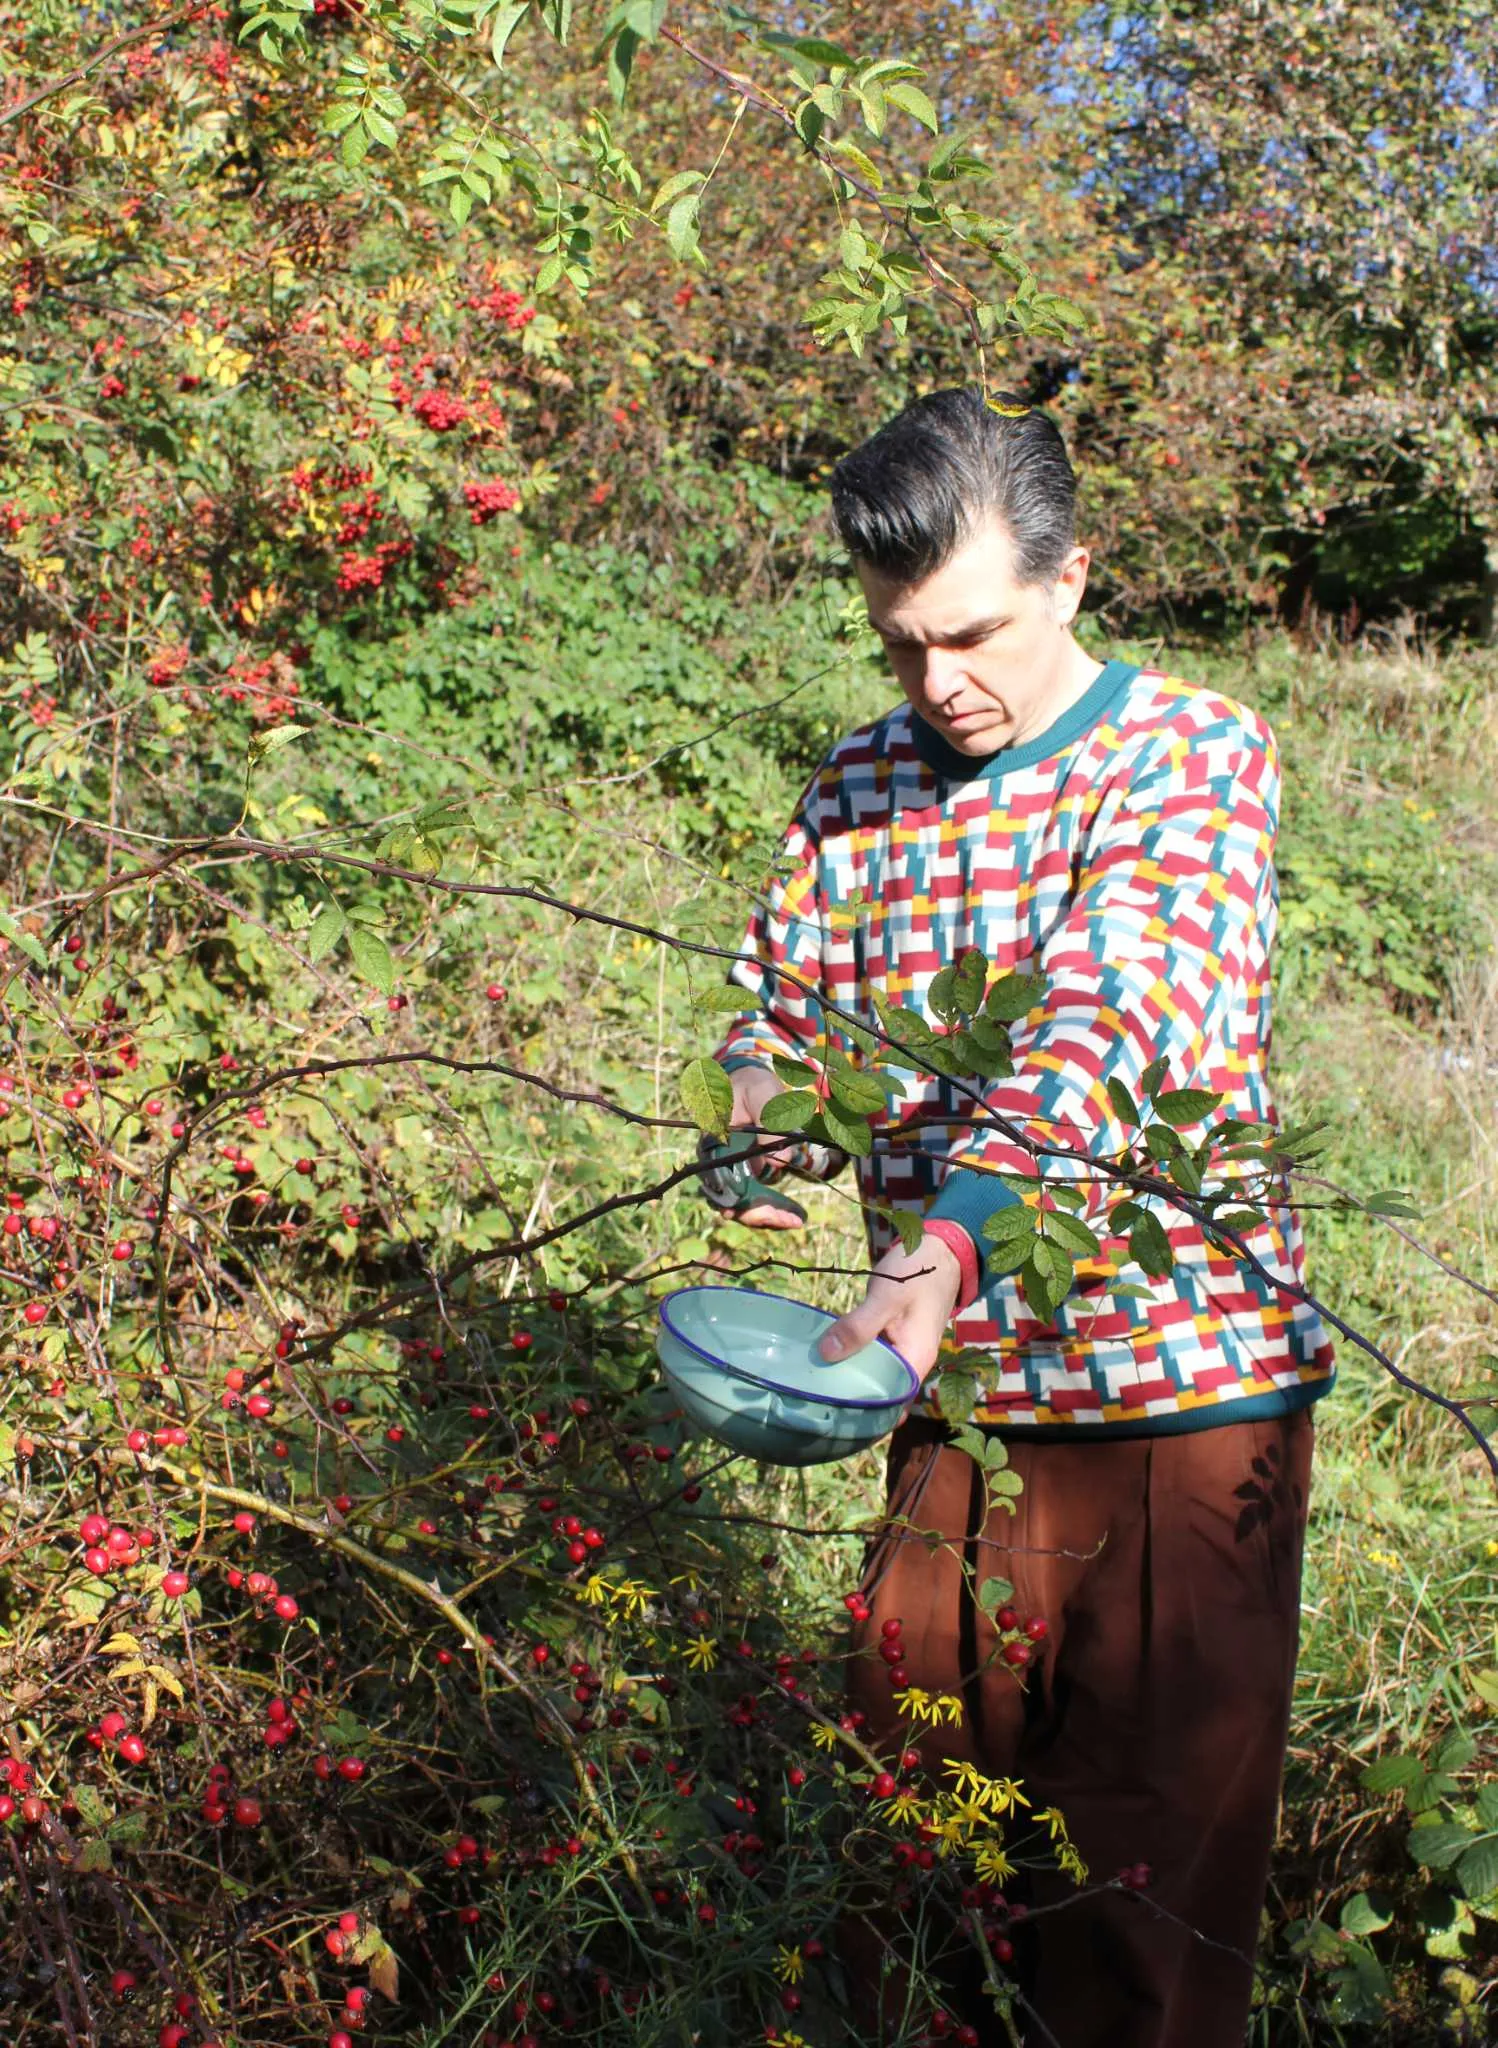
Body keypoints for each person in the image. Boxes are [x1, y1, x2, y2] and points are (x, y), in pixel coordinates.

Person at [703, 385, 1337, 2047]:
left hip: (1175, 1409)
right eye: (899, 643)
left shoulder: (1187, 755)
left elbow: (1115, 1038)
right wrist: (758, 1126)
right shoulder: (855, 785)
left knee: (1138, 1912)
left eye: (970, 634)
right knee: (905, 1875)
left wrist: (943, 1244)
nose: (938, 684)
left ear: (1068, 580)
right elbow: (769, 1016)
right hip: (951, 1401)